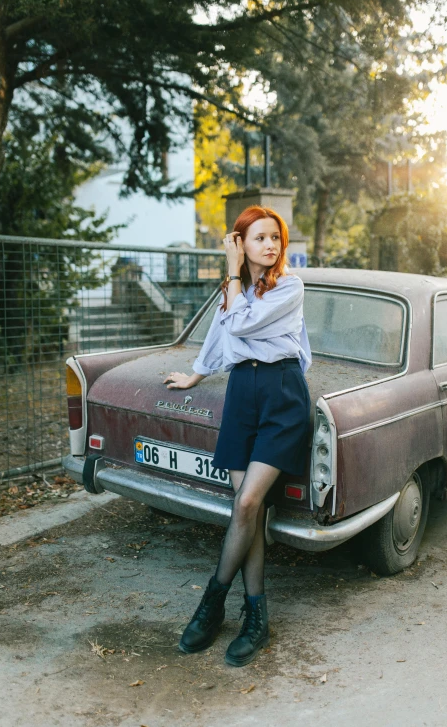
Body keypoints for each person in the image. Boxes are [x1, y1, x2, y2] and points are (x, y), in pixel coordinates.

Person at [163, 205, 312, 667]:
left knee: (246, 504)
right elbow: (219, 333)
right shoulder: (237, 289)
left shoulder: (289, 286)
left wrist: (230, 273)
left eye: (276, 238)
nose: (271, 245)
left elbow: (242, 324)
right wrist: (196, 374)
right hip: (241, 396)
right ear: (241, 242)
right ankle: (256, 616)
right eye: (260, 238)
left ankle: (211, 602)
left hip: (282, 395)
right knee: (252, 513)